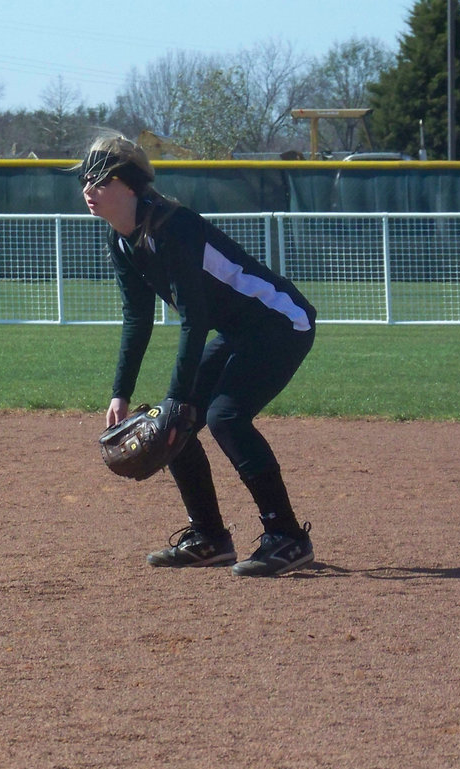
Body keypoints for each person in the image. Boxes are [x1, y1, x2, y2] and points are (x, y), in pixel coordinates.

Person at [79, 133, 317, 576]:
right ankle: (209, 536)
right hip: (237, 330)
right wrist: (120, 393)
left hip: (280, 321)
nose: (88, 190)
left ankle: (287, 536)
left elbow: (195, 318)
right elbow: (138, 320)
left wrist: (176, 397)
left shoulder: (173, 227)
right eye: (85, 181)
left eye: (99, 180)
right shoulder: (122, 242)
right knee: (176, 424)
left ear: (128, 185)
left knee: (224, 416)